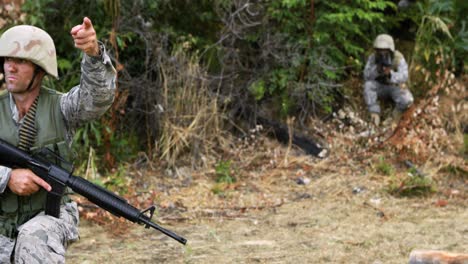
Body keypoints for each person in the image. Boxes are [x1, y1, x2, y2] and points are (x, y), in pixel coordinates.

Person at [0, 17, 116, 263]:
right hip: (2, 218)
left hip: (49, 214)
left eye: (20, 61)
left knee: (33, 240)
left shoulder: (62, 107)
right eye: (8, 59)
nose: (10, 67)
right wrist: (7, 177)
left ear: (40, 69)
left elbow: (97, 99)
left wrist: (93, 54)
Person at [363, 34, 413, 126]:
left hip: (394, 87)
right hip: (379, 86)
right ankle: (374, 115)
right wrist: (376, 71)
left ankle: (394, 118)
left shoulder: (398, 58)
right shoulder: (373, 58)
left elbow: (404, 76)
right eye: (379, 50)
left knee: (407, 99)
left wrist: (390, 75)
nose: (382, 53)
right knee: (368, 86)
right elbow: (366, 75)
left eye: (384, 51)